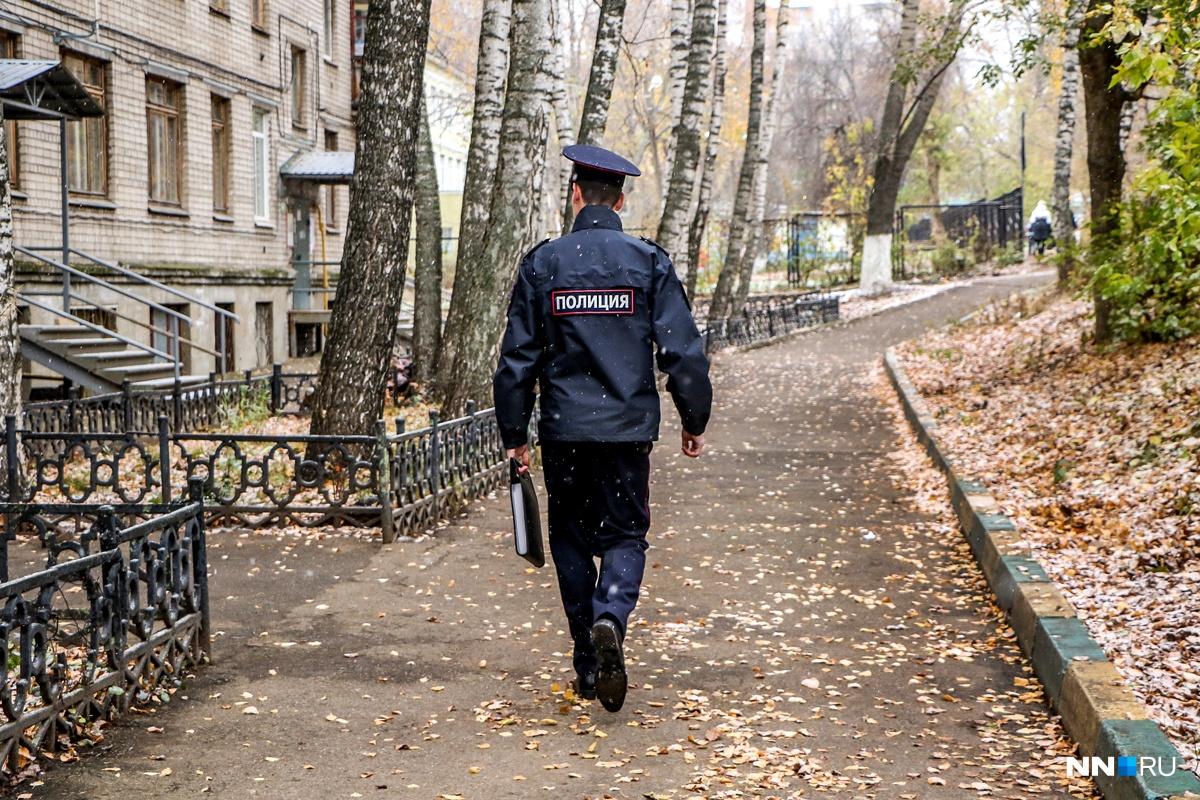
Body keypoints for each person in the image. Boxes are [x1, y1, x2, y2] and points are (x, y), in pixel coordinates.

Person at [493, 144, 713, 713]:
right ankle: (611, 615)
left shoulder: (544, 264)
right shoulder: (646, 261)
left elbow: (518, 358)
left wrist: (514, 433)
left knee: (569, 538)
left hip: (564, 432)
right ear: (620, 199)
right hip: (624, 433)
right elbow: (682, 351)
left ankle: (587, 664)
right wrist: (694, 418)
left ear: (574, 196)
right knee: (623, 536)